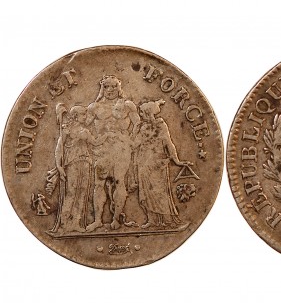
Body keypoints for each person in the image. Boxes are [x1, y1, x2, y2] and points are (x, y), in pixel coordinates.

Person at [85, 76, 140, 231]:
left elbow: (138, 124)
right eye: (107, 86)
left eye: (114, 86)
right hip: (102, 148)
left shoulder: (127, 105)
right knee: (99, 183)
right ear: (102, 88)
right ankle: (98, 220)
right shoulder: (94, 107)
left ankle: (116, 218)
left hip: (121, 147)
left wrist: (131, 140)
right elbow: (84, 124)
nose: (110, 90)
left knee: (119, 181)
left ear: (119, 87)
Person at [52, 105, 112, 233]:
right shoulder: (67, 129)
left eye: (85, 114)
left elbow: (95, 142)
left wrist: (107, 135)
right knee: (72, 192)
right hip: (73, 163)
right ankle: (64, 222)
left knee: (82, 193)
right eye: (83, 114)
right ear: (75, 116)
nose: (85, 117)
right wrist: (59, 166)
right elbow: (59, 147)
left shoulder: (85, 131)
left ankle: (75, 222)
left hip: (85, 163)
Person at [134, 99, 191, 228]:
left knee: (160, 192)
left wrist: (176, 160)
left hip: (157, 163)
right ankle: (152, 220)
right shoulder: (141, 127)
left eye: (142, 112)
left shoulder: (160, 125)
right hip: (143, 163)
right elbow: (134, 144)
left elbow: (169, 144)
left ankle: (168, 221)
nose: (140, 114)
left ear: (148, 112)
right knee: (145, 192)